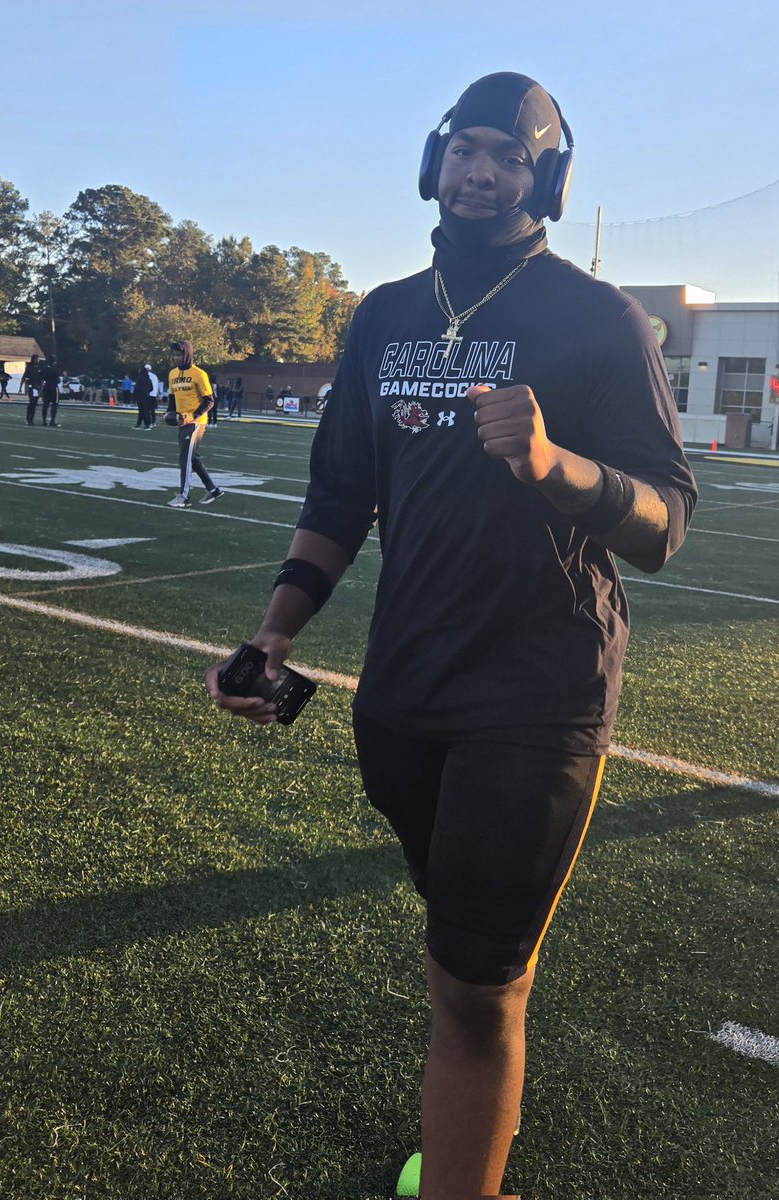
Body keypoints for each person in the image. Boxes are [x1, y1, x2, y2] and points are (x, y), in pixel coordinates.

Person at [205, 72, 697, 1199]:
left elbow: (666, 524)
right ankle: (466, 1152)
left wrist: (554, 465)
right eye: (466, 149)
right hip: (404, 690)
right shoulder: (384, 315)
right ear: (435, 162)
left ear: (545, 177)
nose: (481, 174)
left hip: (538, 693)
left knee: (480, 986)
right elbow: (340, 496)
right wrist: (275, 634)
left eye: (509, 157)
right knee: (455, 958)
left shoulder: (598, 319)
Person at [165, 339, 224, 508]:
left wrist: (194, 415)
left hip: (196, 422)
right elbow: (172, 399)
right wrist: (168, 414)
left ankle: (184, 496)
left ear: (187, 354)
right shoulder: (172, 374)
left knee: (185, 458)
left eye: (179, 354)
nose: (176, 358)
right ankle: (213, 490)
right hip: (182, 421)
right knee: (193, 458)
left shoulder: (199, 374)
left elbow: (209, 401)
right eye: (174, 354)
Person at [39, 355, 61, 426]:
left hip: (46, 387)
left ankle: (44, 421)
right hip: (54, 387)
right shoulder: (55, 369)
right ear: (54, 361)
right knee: (55, 404)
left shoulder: (45, 368)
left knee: (45, 404)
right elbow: (58, 380)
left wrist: (41, 389)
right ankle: (52, 421)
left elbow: (42, 379)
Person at [20, 354, 42, 424]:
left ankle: (31, 419)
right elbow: (24, 377)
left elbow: (41, 379)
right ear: (33, 359)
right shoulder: (29, 367)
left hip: (37, 388)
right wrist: (20, 387)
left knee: (34, 403)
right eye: (36, 359)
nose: (38, 360)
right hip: (31, 387)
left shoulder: (40, 368)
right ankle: (28, 418)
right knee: (32, 402)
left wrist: (41, 388)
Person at [146, 363, 160, 428]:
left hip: (148, 394)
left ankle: (149, 423)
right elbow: (157, 386)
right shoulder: (155, 376)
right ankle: (153, 422)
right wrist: (157, 394)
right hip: (153, 395)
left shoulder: (147, 376)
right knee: (152, 409)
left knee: (147, 409)